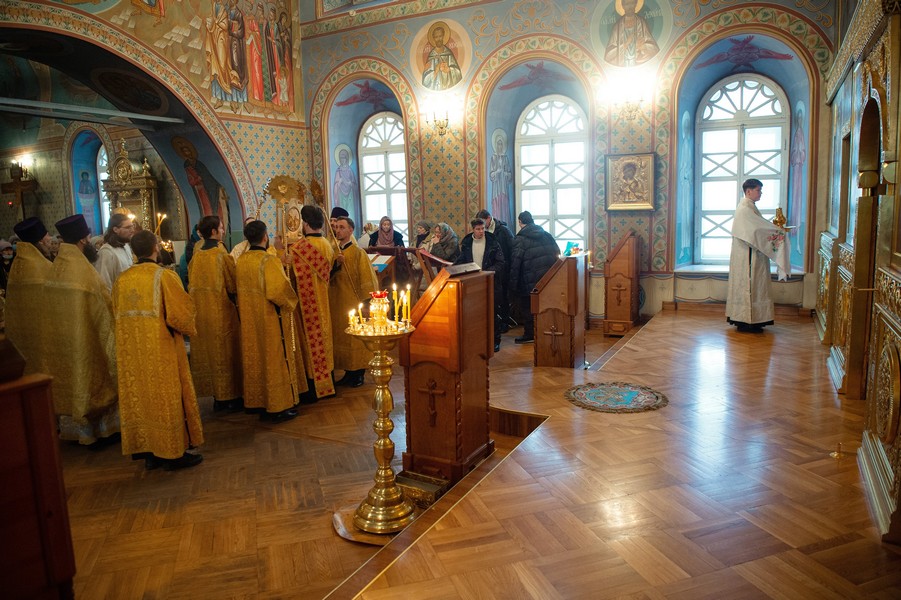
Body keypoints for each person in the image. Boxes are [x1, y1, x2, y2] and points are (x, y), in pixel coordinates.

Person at [112, 230, 204, 471]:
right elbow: (181, 317)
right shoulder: (164, 277)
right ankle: (173, 453)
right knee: (167, 398)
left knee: (141, 398)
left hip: (132, 354)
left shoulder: (122, 280)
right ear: (155, 248)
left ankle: (150, 452)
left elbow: (115, 314)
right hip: (162, 352)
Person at [42, 214, 119, 446]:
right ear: (84, 240)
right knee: (92, 380)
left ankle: (81, 432)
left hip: (62, 339)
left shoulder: (58, 268)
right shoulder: (83, 271)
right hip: (86, 338)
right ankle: (102, 431)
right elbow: (103, 303)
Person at [236, 220, 303, 423]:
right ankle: (278, 406)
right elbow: (278, 291)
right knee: (274, 359)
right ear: (265, 237)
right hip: (270, 319)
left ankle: (260, 402)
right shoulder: (268, 261)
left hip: (249, 319)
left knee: (257, 359)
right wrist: (292, 300)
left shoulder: (242, 260)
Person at [188, 215, 243, 412]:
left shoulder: (197, 255)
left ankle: (216, 397)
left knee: (209, 353)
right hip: (221, 312)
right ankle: (228, 397)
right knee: (224, 353)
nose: (223, 231)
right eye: (221, 228)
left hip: (201, 314)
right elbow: (232, 283)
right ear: (213, 231)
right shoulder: (220, 254)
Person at [726, 178, 790, 333]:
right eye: (758, 190)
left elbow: (758, 228)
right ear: (748, 191)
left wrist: (775, 230)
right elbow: (755, 231)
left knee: (757, 285)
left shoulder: (750, 207)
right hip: (747, 255)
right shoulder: (744, 209)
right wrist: (778, 231)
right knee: (750, 285)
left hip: (752, 253)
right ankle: (747, 321)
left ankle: (755, 320)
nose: (761, 193)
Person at [290, 205, 336, 400]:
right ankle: (328, 382)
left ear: (305, 223)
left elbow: (290, 276)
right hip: (324, 301)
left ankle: (313, 388)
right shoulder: (327, 244)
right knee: (324, 338)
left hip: (307, 304)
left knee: (311, 342)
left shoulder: (299, 249)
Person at [330, 216, 378, 387]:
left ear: (351, 230)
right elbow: (327, 275)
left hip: (354, 301)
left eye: (342, 227)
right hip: (338, 302)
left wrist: (366, 303)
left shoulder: (358, 253)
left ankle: (358, 374)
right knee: (343, 337)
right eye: (337, 227)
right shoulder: (334, 252)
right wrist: (336, 265)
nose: (338, 230)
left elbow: (367, 279)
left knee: (356, 338)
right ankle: (348, 372)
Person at [5, 218, 53, 384]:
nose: (50, 239)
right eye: (47, 236)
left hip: (22, 333)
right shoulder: (43, 266)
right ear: (40, 241)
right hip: (43, 332)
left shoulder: (18, 264)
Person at [509, 211, 559, 344]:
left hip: (527, 281)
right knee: (544, 308)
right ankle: (545, 331)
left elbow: (515, 263)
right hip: (547, 280)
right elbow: (557, 254)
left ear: (520, 222)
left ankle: (530, 334)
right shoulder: (546, 235)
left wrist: (512, 286)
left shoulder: (520, 239)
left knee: (528, 309)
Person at [456, 218, 506, 352]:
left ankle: (495, 341)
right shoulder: (467, 243)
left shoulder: (493, 242)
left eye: (483, 228)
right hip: (473, 283)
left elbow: (500, 262)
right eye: (478, 229)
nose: (481, 231)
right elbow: (461, 260)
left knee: (493, 313)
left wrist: (487, 272)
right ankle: (478, 340)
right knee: (475, 314)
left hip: (491, 282)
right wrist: (452, 269)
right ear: (472, 229)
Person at [476, 209, 515, 329]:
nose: (481, 227)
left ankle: (504, 322)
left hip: (503, 268)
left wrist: (508, 266)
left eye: (483, 222)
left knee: (503, 297)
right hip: (488, 269)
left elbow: (512, 249)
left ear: (489, 218)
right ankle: (493, 323)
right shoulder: (483, 231)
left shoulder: (503, 230)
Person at [604, 0, 659, 67]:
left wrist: (643, 47)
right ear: (623, 6)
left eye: (632, 3)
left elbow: (654, 48)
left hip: (640, 63)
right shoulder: (617, 27)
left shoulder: (641, 23)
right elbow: (608, 56)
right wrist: (626, 44)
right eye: (627, 4)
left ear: (636, 4)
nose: (630, 7)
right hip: (622, 64)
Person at [95, 213, 135, 290]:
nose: (132, 230)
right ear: (115, 229)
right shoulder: (106, 252)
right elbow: (104, 284)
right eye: (128, 227)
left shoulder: (126, 246)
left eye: (132, 226)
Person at [422, 21, 462, 90]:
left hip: (449, 88)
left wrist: (449, 69)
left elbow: (458, 73)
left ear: (443, 36)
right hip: (435, 89)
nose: (438, 39)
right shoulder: (431, 56)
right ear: (433, 38)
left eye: (440, 36)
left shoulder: (448, 53)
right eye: (436, 37)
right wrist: (436, 70)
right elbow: (425, 79)